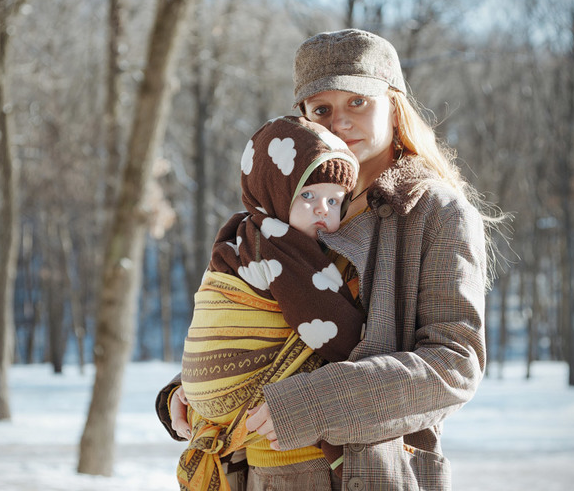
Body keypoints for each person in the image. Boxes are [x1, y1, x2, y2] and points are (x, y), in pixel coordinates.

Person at [159, 28, 497, 491]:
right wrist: (193, 391)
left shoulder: (435, 213)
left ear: (393, 105)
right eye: (322, 109)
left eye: (357, 102)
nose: (340, 123)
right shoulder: (285, 206)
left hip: (374, 475)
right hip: (262, 474)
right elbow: (267, 326)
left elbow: (454, 364)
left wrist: (309, 406)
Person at [171, 115, 365, 490]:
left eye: (334, 200)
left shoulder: (243, 232)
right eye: (307, 196)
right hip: (239, 402)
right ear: (274, 192)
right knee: (313, 365)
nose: (323, 209)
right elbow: (322, 320)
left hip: (206, 409)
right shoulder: (278, 244)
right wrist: (363, 344)